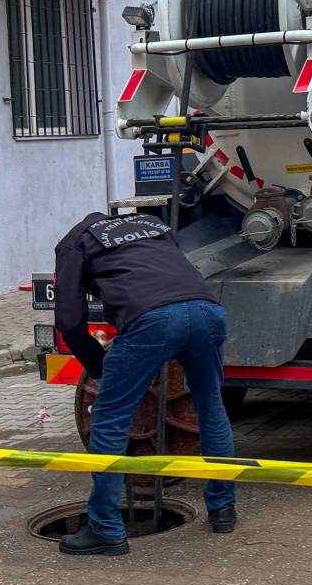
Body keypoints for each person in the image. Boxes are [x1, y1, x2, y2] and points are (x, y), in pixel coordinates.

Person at [53, 210, 237, 557]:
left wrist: (98, 367)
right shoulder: (152, 225)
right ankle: (223, 509)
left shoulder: (74, 243)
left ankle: (105, 529)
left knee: (109, 418)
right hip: (208, 311)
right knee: (211, 409)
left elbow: (70, 321)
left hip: (151, 319)